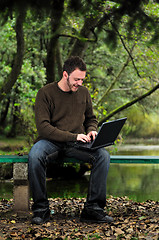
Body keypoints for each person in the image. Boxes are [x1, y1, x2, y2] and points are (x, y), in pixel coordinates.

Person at [28, 56, 113, 224]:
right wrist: (73, 136)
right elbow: (43, 127)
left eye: (82, 79)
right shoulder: (45, 93)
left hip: (77, 142)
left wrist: (92, 131)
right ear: (65, 74)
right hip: (51, 141)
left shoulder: (84, 92)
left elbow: (91, 119)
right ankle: (41, 210)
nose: (79, 83)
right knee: (35, 156)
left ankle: (93, 209)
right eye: (76, 79)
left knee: (103, 155)